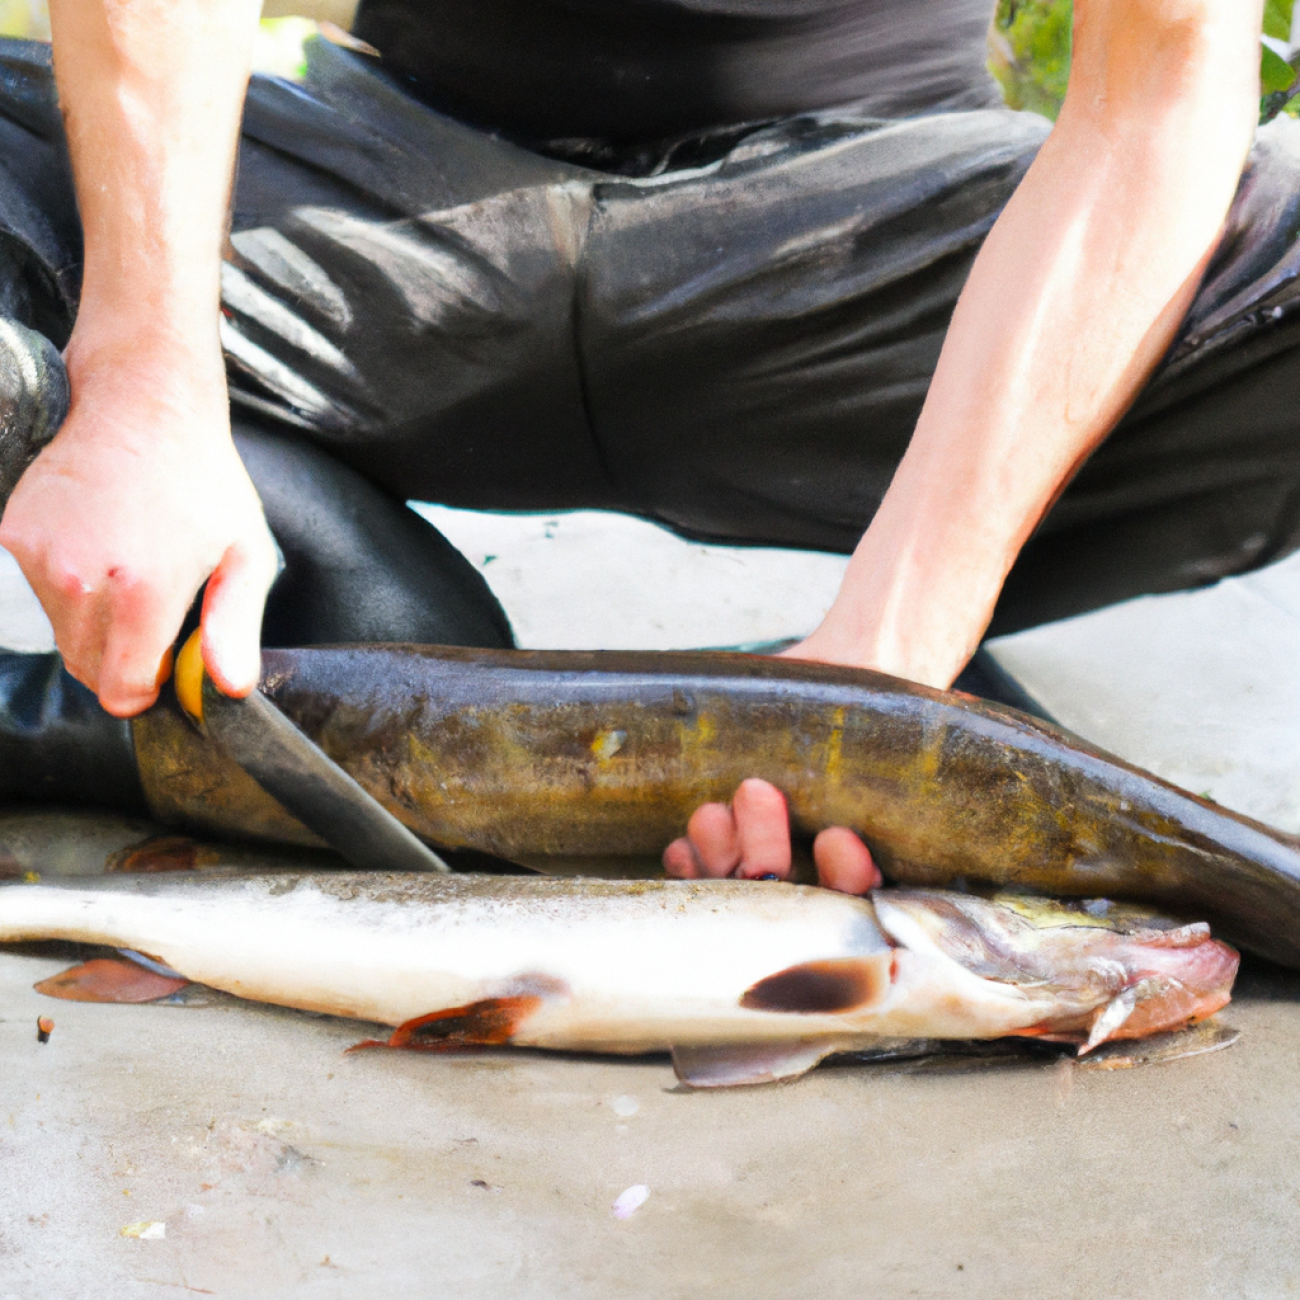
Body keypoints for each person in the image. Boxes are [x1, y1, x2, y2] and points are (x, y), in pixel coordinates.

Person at [0, 0, 1288, 891]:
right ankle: (311, 613)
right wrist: (149, 372)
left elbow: (1159, 93)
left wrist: (882, 677)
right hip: (369, 217)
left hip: (876, 247)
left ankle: (318, 711)